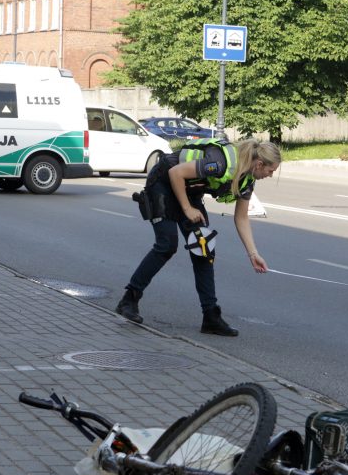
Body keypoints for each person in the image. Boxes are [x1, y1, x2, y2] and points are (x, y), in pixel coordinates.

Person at [115, 137, 281, 336]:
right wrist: (186, 209)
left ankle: (211, 317)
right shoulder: (221, 163)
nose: (270, 176)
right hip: (163, 183)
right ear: (260, 164)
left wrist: (253, 254)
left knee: (204, 249)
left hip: (189, 191)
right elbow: (175, 172)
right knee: (167, 245)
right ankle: (129, 300)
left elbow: (242, 218)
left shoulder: (247, 180)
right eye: (270, 171)